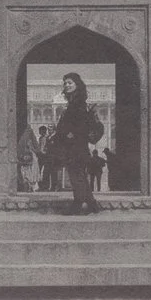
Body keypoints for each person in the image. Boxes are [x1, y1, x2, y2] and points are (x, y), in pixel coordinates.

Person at [54, 72, 101, 214]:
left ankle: (78, 204)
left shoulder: (78, 102)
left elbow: (80, 124)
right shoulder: (74, 101)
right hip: (78, 146)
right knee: (79, 175)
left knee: (76, 176)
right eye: (65, 83)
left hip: (75, 146)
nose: (66, 85)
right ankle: (92, 205)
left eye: (70, 83)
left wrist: (69, 135)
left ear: (77, 85)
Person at [17, 123, 40, 192]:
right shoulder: (27, 132)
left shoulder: (28, 132)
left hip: (28, 155)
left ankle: (30, 186)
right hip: (25, 155)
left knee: (28, 171)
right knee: (26, 171)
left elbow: (36, 146)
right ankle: (28, 185)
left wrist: (32, 148)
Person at [36, 125, 51, 191]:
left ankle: (46, 186)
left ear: (44, 131)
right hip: (40, 156)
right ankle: (40, 186)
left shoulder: (47, 138)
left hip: (46, 155)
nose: (39, 132)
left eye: (41, 131)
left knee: (46, 172)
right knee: (38, 171)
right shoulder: (40, 138)